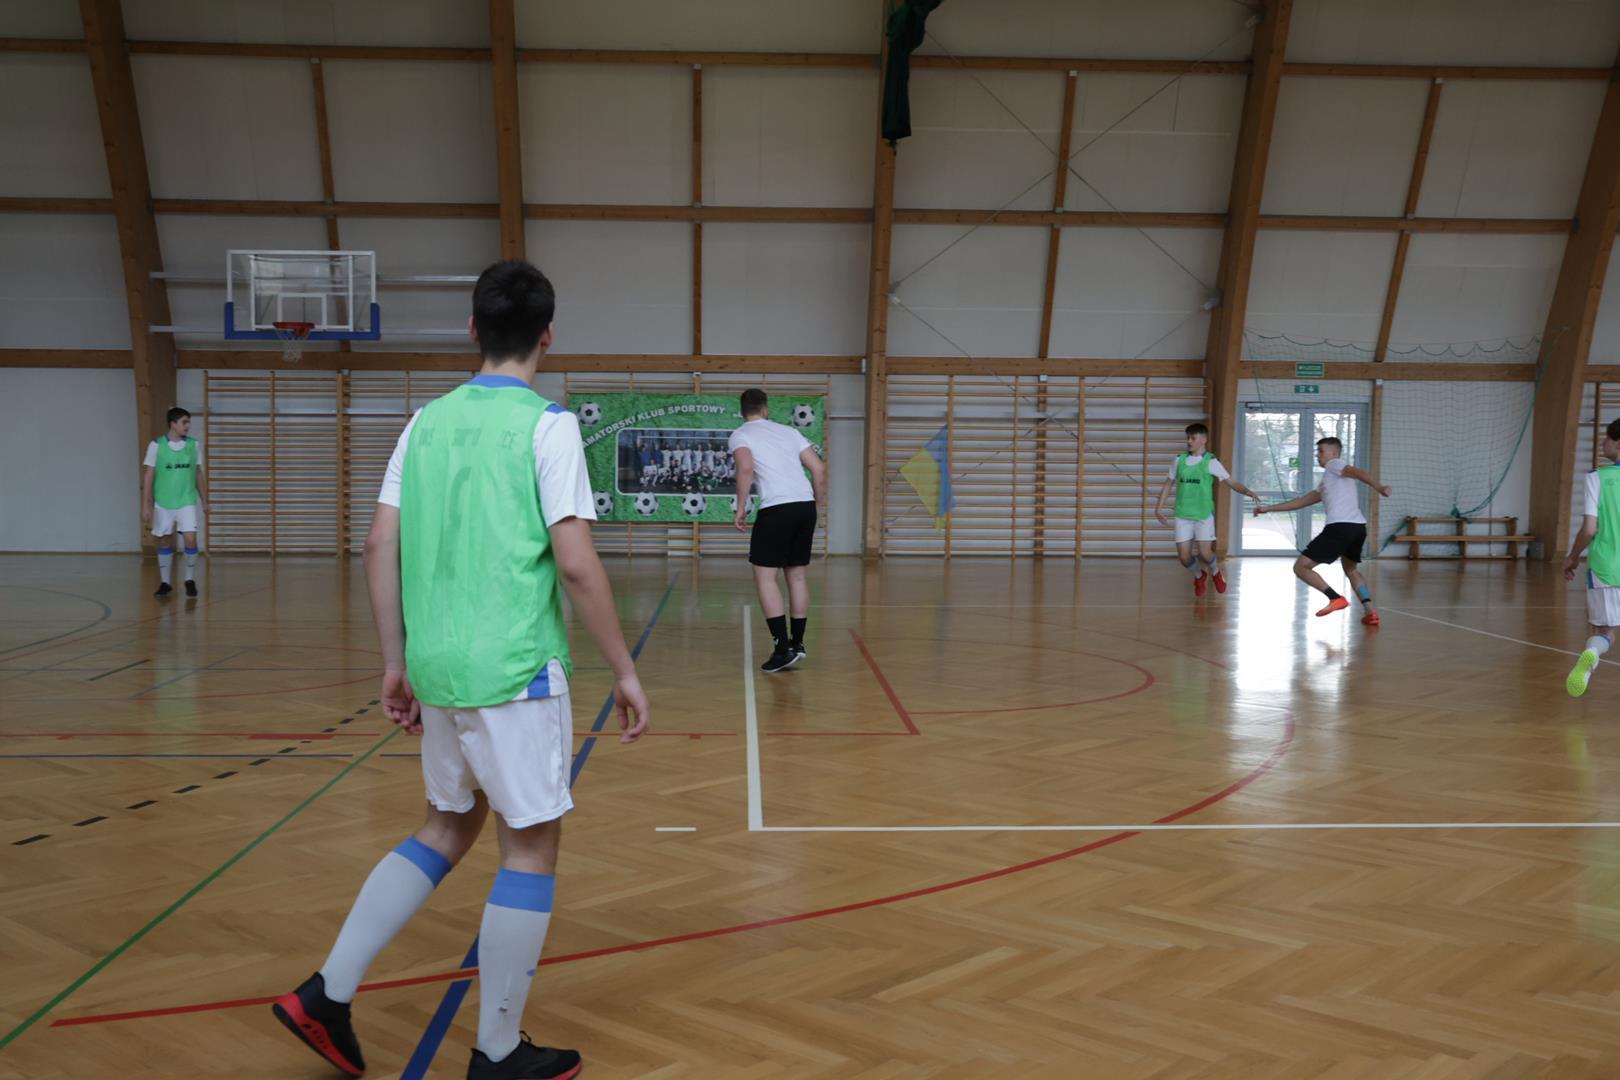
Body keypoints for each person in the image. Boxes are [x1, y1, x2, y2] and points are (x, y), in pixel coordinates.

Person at [272, 260, 650, 1080]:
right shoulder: (549, 427)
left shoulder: (425, 423)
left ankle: (327, 994)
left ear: (473, 329)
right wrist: (624, 669)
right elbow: (575, 563)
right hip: (513, 669)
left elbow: (378, 543)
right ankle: (498, 1050)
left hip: (438, 667)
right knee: (531, 844)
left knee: (448, 825)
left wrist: (396, 660)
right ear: (548, 335)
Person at [730, 389, 826, 673]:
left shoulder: (741, 434)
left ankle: (782, 649)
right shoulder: (789, 432)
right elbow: (818, 469)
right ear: (765, 409)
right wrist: (818, 505)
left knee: (765, 578)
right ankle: (798, 643)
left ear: (743, 411)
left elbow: (745, 467)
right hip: (804, 506)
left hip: (777, 509)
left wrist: (741, 507)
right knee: (796, 575)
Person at [1253, 436, 1391, 625]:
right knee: (1351, 570)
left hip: (1340, 527)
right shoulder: (1328, 481)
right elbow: (1301, 502)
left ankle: (1335, 598)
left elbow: (1357, 472)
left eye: (1321, 451)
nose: (1318, 455)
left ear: (1334, 453)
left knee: (1301, 567)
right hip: (1358, 528)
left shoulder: (1335, 464)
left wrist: (1379, 487)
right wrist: (1269, 508)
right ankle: (1370, 612)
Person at [1152, 422, 1259, 596]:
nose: (1189, 441)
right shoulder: (1179, 460)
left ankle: (1215, 572)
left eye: (1192, 438)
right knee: (1184, 557)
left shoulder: (1211, 461)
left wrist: (1246, 491)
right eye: (1188, 438)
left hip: (1203, 515)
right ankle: (1199, 575)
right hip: (1183, 514)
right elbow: (1168, 484)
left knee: (1205, 553)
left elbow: (1231, 481)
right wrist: (1158, 508)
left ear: (1203, 439)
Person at [1563, 418, 1620, 696]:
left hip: (1606, 567)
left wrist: (1573, 556)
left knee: (1605, 631)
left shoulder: (1597, 477)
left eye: (1607, 437)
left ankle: (1591, 656)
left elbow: (1589, 529)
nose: (1602, 442)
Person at [141, 406, 207, 598]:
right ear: (173, 424)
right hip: (163, 502)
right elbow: (149, 476)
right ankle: (165, 583)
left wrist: (205, 500)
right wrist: (145, 505)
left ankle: (189, 580)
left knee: (190, 538)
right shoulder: (156, 445)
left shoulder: (193, 445)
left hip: (186, 501)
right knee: (164, 541)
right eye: (184, 422)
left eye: (188, 422)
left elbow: (198, 473)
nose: (187, 426)